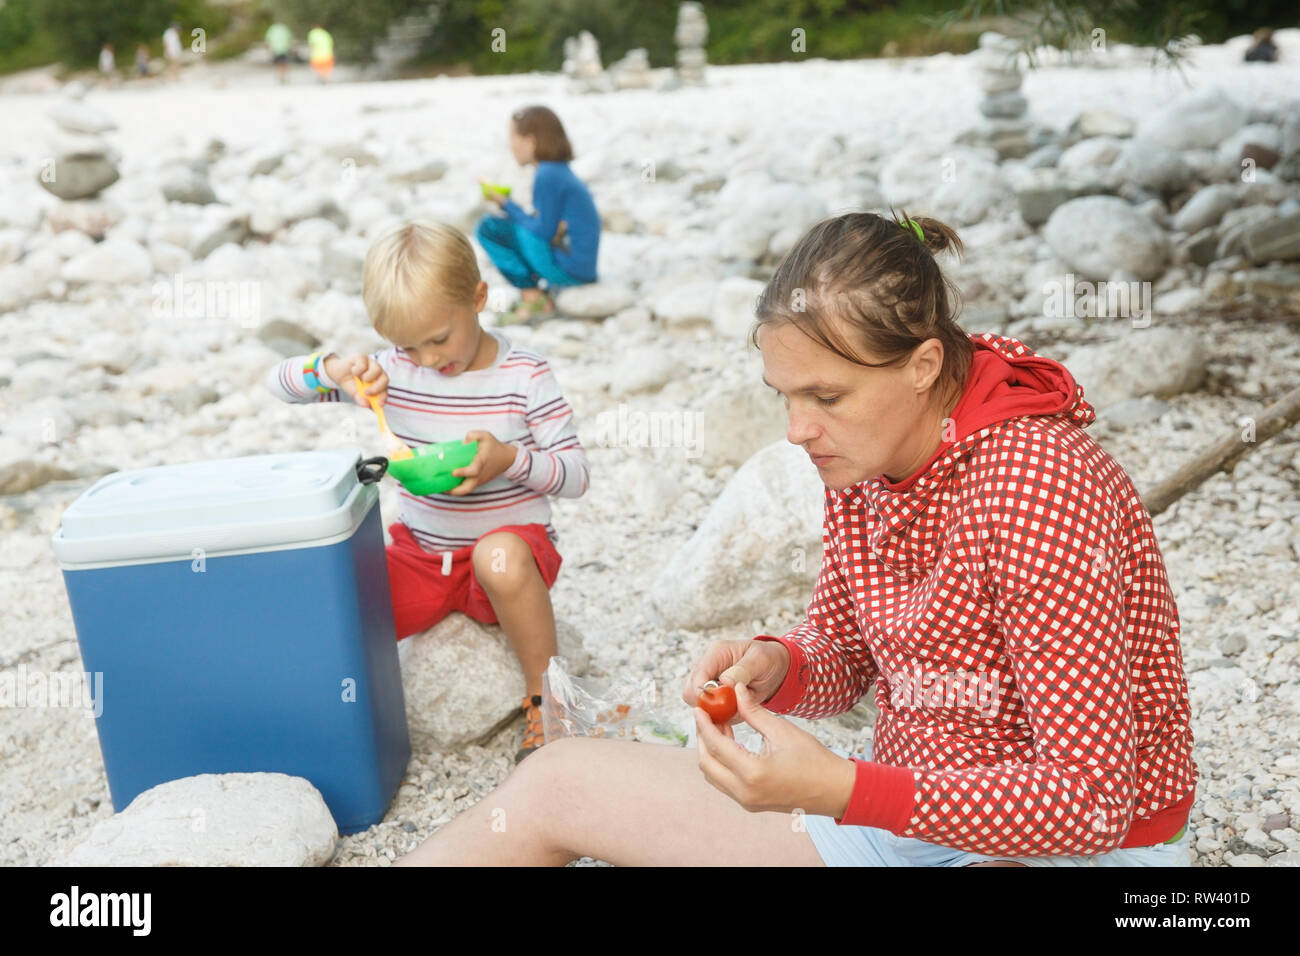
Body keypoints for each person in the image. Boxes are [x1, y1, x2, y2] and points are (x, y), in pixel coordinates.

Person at [396, 211, 1198, 867]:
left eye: (826, 395)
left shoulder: (1041, 487)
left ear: (923, 365)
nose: (797, 430)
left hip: (1074, 849)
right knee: (557, 783)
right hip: (907, 813)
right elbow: (846, 652)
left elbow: (1089, 801)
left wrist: (845, 790)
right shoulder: (863, 453)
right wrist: (776, 664)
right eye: (784, 394)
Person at [264, 222, 589, 764]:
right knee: (344, 600)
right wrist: (337, 370)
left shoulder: (524, 376)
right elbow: (279, 383)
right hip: (424, 556)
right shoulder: (392, 374)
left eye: (439, 339)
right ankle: (337, 717)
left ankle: (549, 702)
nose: (429, 359)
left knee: (500, 556)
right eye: (407, 345)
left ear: (479, 298)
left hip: (513, 553)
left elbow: (576, 474)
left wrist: (509, 459)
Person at [475, 106, 599, 324]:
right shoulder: (557, 170)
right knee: (512, 226)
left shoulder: (547, 174)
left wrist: (505, 204)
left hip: (571, 270)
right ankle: (536, 294)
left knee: (489, 228)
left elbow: (542, 230)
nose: (510, 146)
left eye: (513, 138)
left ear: (530, 142)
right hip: (582, 266)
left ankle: (533, 298)